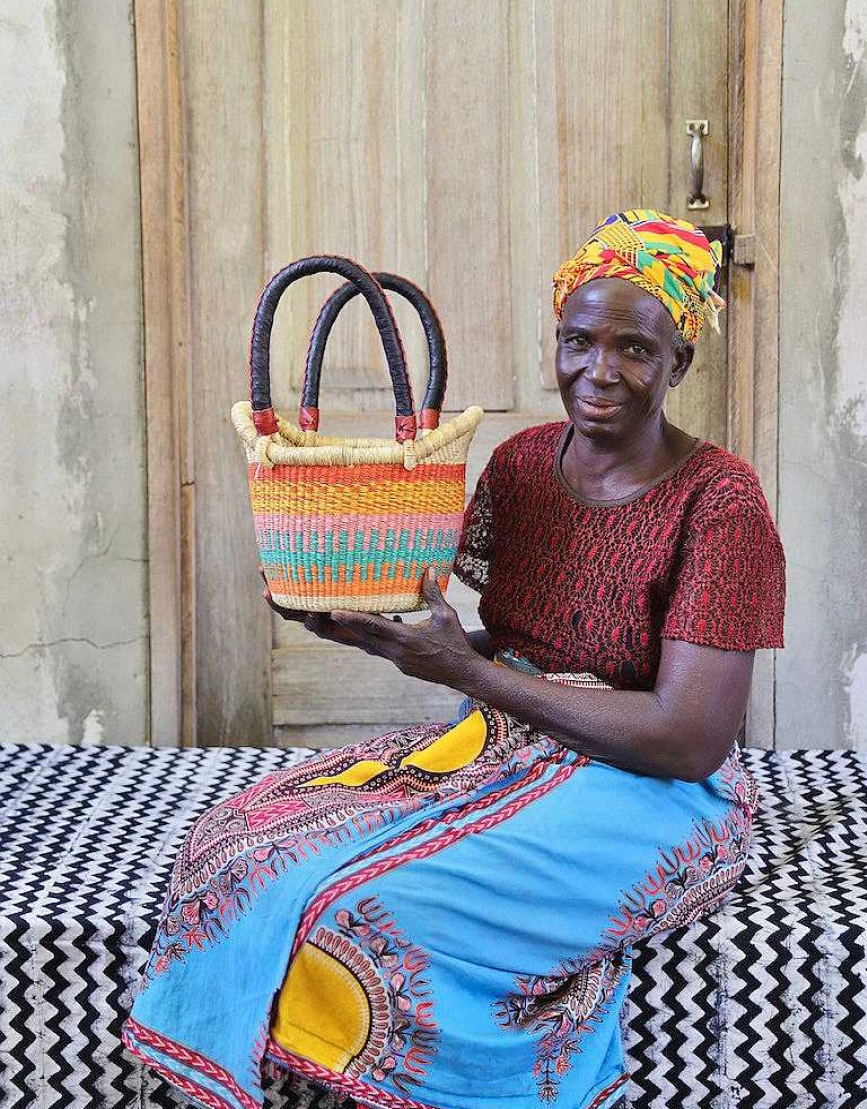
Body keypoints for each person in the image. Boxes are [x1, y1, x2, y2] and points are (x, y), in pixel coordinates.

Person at [123, 209, 785, 1109]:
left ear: (679, 363)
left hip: (653, 793)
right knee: (245, 841)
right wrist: (384, 636)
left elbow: (688, 737)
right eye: (578, 340)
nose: (599, 372)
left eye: (634, 348)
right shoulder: (517, 466)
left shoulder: (720, 503)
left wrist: (463, 672)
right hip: (507, 745)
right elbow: (515, 652)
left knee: (367, 913)